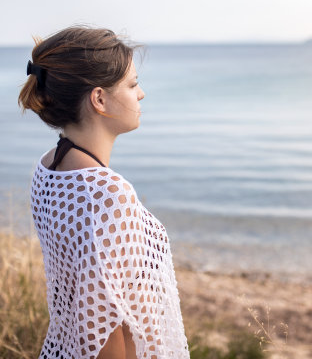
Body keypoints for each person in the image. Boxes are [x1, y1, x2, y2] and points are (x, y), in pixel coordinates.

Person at [18, 26, 190, 359]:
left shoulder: (49, 166)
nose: (141, 94)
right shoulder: (109, 194)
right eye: (132, 84)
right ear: (99, 99)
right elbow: (106, 327)